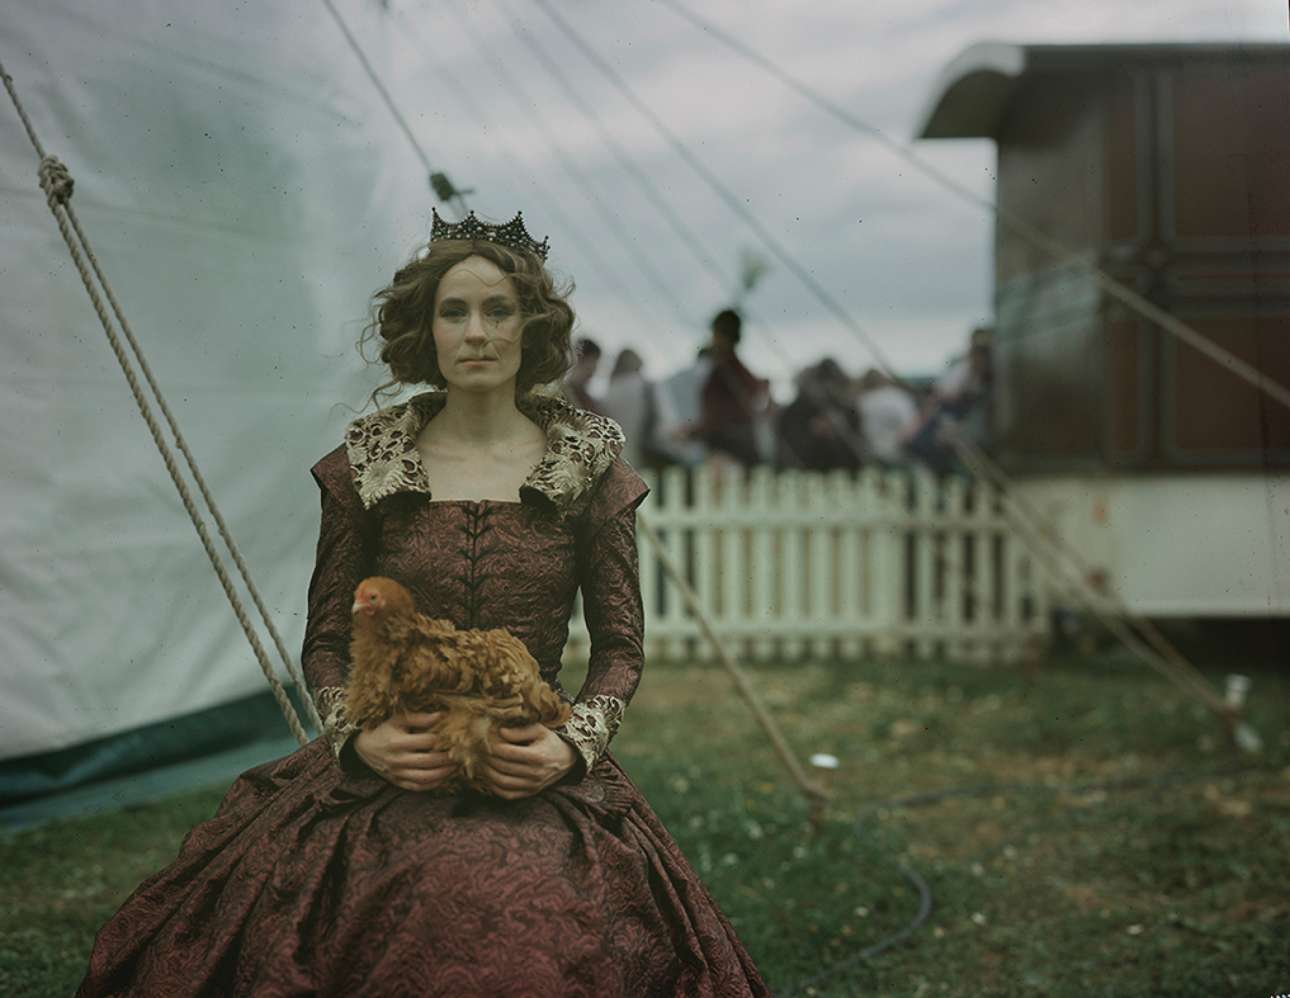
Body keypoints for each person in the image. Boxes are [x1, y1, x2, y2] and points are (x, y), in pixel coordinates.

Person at [77, 211, 769, 997]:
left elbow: (620, 648)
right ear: (426, 330)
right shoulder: (368, 465)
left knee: (534, 915)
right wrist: (359, 739)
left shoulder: (587, 468)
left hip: (527, 760)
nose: (476, 332)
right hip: (390, 763)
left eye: (498, 310)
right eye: (454, 311)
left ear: (530, 327)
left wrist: (570, 747)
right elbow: (328, 640)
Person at [696, 308, 770, 468]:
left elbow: (717, 419)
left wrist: (691, 432)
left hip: (728, 453)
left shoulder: (723, 371)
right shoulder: (739, 370)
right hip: (744, 450)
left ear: (720, 335)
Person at [774, 357, 864, 471]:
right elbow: (792, 448)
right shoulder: (794, 412)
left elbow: (856, 442)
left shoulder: (846, 409)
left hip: (841, 470)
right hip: (807, 470)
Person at [856, 367, 917, 467]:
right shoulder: (898, 396)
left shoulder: (862, 401)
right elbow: (912, 426)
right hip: (900, 451)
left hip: (872, 453)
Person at [562, 334, 604, 415]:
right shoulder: (561, 394)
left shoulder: (588, 400)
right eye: (589, 369)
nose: (591, 376)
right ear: (577, 360)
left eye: (593, 370)